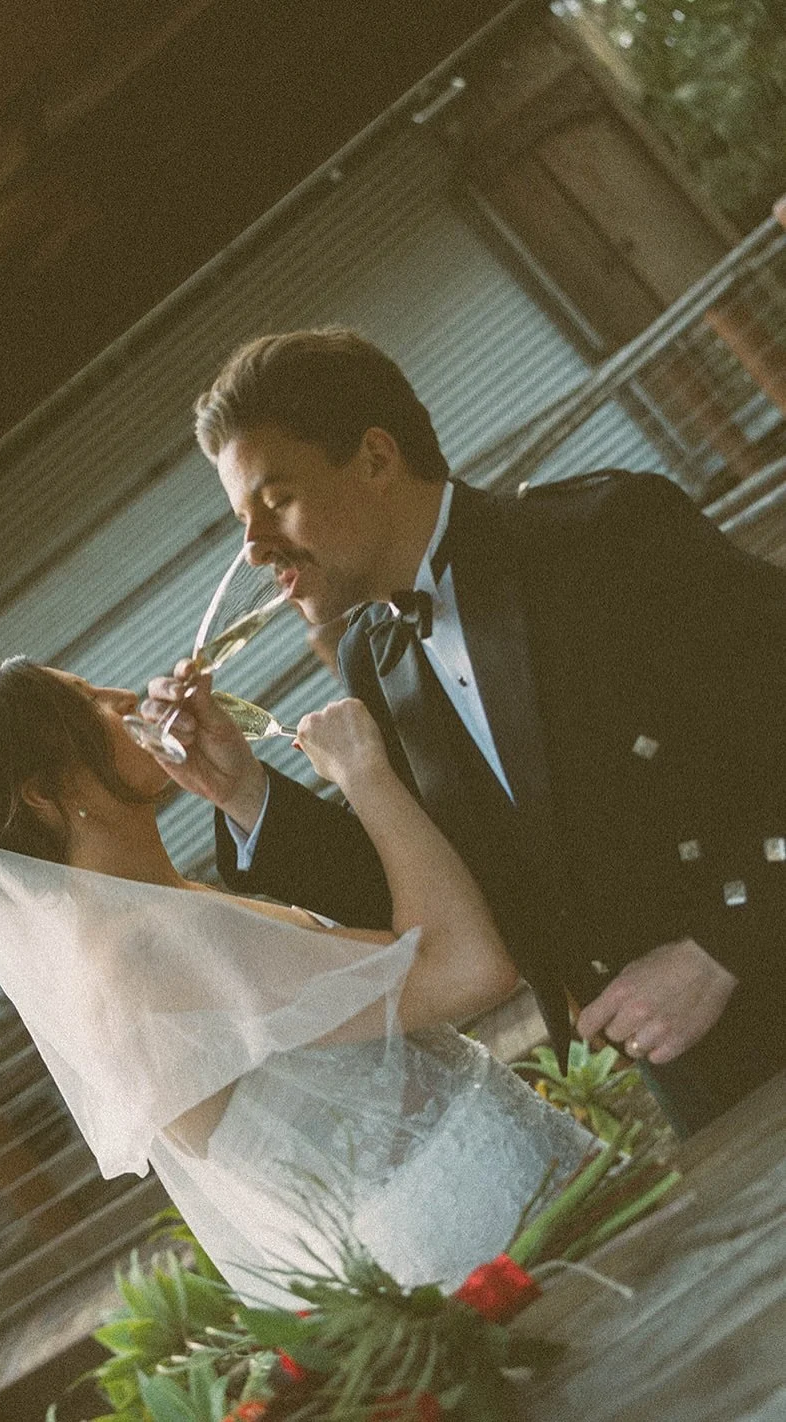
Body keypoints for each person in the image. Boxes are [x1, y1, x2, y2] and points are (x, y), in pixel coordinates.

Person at [141, 327, 786, 1137]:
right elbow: (422, 891)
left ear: (376, 459)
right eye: (242, 518)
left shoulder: (598, 534)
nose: (255, 546)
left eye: (276, 500)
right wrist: (241, 790)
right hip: (697, 1086)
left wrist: (719, 945)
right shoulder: (373, 661)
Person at [0, 657, 593, 1306]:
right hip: (487, 1232)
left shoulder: (162, 918)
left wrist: (240, 788)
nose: (122, 697)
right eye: (87, 702)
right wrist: (364, 773)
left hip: (478, 1212)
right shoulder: (151, 947)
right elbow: (466, 971)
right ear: (46, 793)